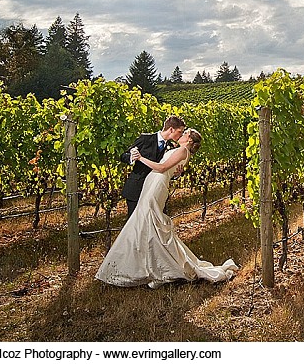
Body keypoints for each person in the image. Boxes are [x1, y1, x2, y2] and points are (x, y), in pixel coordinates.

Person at [96, 128, 239, 288]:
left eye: (185, 133)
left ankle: (148, 266)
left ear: (189, 140)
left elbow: (162, 168)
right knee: (144, 221)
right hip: (153, 183)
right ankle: (142, 263)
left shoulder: (183, 150)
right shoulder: (180, 150)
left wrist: (140, 158)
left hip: (157, 184)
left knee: (148, 220)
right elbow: (171, 167)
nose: (182, 134)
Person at [120, 116, 186, 217]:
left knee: (156, 222)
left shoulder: (171, 147)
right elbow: (123, 156)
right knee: (135, 224)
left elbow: (165, 169)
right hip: (137, 189)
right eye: (180, 131)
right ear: (171, 129)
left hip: (155, 191)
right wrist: (132, 157)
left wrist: (176, 174)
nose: (181, 135)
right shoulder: (145, 139)